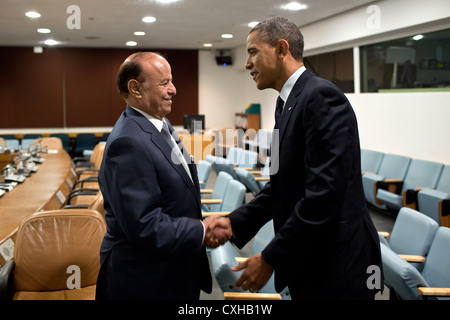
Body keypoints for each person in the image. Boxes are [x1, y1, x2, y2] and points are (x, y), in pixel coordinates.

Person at [214, 17, 383, 300]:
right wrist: (234, 223)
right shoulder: (285, 105)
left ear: (281, 49)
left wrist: (270, 258)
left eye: (253, 52)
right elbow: (279, 188)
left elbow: (324, 195)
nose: (246, 64)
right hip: (310, 258)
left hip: (337, 264)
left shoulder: (321, 97)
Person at [95, 52, 230, 300]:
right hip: (146, 281)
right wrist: (200, 230)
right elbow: (144, 224)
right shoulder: (128, 142)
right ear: (135, 88)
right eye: (164, 83)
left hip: (172, 268)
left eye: (172, 80)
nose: (174, 89)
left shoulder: (160, 124)